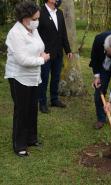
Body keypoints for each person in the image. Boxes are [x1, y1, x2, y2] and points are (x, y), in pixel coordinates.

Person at [4, 1, 50, 157]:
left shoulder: (32, 28)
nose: (37, 21)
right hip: (19, 77)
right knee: (22, 110)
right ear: (25, 18)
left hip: (33, 76)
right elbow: (22, 59)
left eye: (38, 18)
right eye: (35, 18)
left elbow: (39, 47)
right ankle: (19, 145)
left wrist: (40, 55)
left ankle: (31, 138)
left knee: (32, 108)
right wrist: (42, 60)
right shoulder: (15, 34)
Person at [38, 0, 73, 113]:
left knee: (56, 77)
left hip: (58, 52)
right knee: (44, 78)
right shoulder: (39, 12)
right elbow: (35, 33)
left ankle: (54, 99)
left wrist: (68, 50)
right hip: (44, 53)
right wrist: (38, 51)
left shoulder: (60, 12)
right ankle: (42, 103)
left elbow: (63, 33)